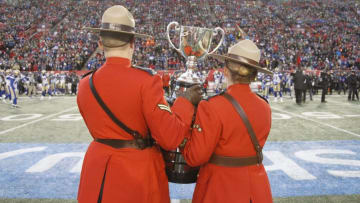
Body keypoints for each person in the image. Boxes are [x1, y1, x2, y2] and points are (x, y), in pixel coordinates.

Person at [77, 5, 201, 203]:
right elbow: (169, 138)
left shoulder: (85, 84)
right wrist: (184, 102)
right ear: (133, 42)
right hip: (136, 173)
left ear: (100, 43)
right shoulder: (146, 80)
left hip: (97, 172)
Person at [182, 39, 273, 203]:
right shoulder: (264, 106)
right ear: (254, 75)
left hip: (220, 188)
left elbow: (195, 157)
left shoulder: (213, 106)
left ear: (225, 70)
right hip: (256, 190)